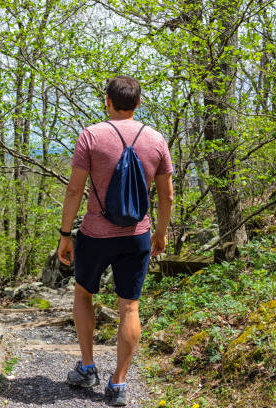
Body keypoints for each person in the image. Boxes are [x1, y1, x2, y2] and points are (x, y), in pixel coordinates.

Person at [57, 75, 173, 406]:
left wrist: (66, 234)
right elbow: (166, 196)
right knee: (130, 306)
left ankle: (88, 366)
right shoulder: (155, 140)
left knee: (83, 293)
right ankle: (119, 383)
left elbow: (75, 190)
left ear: (107, 101)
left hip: (95, 234)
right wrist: (160, 233)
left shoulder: (91, 135)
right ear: (138, 104)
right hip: (138, 235)